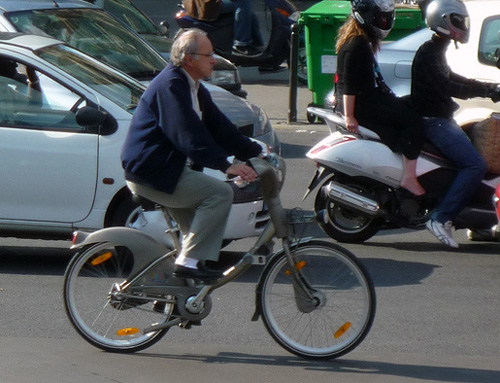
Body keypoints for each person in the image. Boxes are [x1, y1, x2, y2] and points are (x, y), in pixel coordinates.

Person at [121, 28, 262, 280]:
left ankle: (178, 298)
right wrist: (224, 164)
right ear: (190, 59)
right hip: (152, 173)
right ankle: (187, 265)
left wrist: (255, 150)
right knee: (220, 193)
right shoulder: (171, 85)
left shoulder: (194, 87)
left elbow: (221, 128)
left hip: (171, 171)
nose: (214, 59)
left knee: (194, 240)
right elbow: (186, 133)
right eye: (208, 55)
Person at [411, 0, 500, 248]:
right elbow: (447, 86)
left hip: (442, 119)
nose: (463, 26)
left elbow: (454, 78)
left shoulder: (438, 50)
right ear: (444, 20)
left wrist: (488, 88)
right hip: (435, 122)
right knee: (475, 165)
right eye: (459, 21)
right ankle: (441, 218)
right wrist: (483, 92)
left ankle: (478, 223)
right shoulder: (428, 53)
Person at [335, 0, 425, 197]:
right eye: (379, 17)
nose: (383, 21)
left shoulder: (361, 40)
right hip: (363, 105)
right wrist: (350, 116)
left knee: (413, 104)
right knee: (414, 121)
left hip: (369, 99)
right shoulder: (356, 43)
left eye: (385, 17)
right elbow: (348, 83)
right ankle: (409, 177)